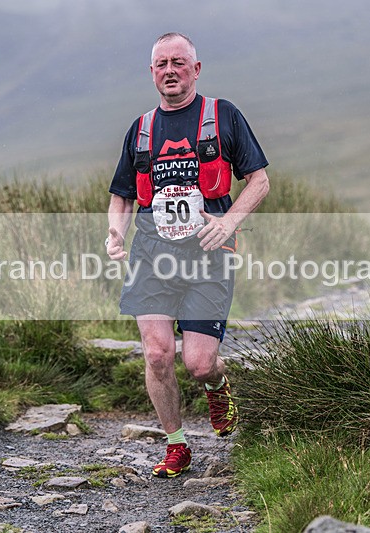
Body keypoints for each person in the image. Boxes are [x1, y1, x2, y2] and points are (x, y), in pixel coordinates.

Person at [106, 32, 269, 478]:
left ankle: (218, 386)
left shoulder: (223, 116)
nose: (170, 70)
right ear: (152, 72)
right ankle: (175, 444)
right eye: (162, 63)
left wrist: (228, 221)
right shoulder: (140, 129)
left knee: (198, 363)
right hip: (151, 257)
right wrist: (114, 235)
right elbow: (121, 196)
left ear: (196, 69)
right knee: (157, 354)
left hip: (208, 257)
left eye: (179, 62)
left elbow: (258, 181)